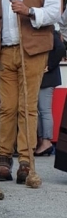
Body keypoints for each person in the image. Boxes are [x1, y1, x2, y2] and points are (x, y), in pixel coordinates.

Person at [0, 0, 61, 184]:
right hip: (6, 53)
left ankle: (26, 161)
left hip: (33, 52)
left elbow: (54, 13)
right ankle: (5, 159)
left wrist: (29, 11)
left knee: (27, 107)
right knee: (6, 107)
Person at [35, 28, 65, 156]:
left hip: (47, 78)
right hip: (45, 78)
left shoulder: (50, 32)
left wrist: (49, 65)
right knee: (41, 110)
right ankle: (43, 141)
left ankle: (46, 141)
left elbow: (60, 49)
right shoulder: (51, 32)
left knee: (44, 110)